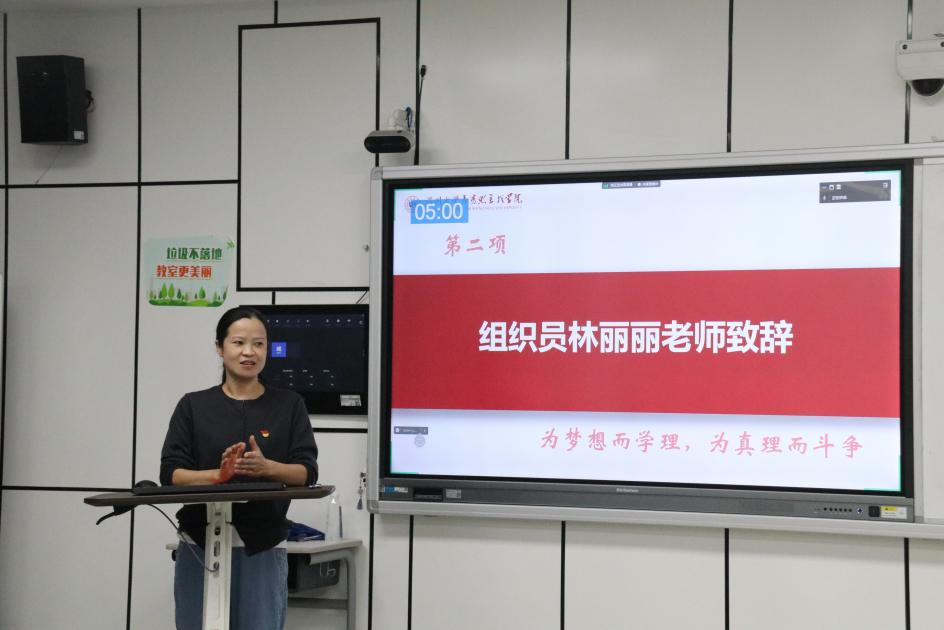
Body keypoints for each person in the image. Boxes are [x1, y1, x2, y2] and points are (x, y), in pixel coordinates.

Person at [160, 306, 318, 630]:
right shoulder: (193, 405)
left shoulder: (289, 405)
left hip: (262, 543)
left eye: (259, 344)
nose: (249, 352)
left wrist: (267, 468)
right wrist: (217, 476)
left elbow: (306, 472)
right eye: (239, 342)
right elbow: (171, 473)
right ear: (220, 348)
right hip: (199, 542)